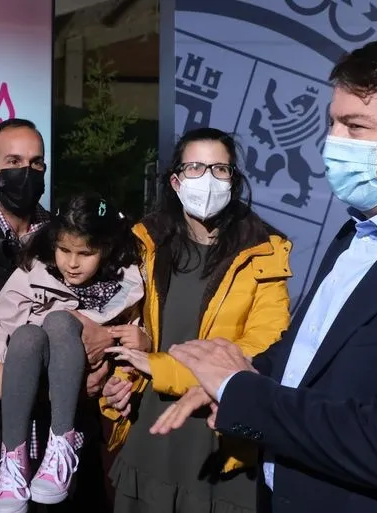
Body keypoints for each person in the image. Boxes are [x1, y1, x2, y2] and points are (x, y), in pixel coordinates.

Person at [150, 35, 377, 513]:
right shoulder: (360, 232)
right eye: (331, 123)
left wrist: (240, 390)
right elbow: (312, 356)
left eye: (356, 126)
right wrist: (242, 373)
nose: (333, 143)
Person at [101, 127, 293, 513]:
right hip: (151, 434)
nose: (207, 179)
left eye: (220, 169)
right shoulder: (146, 243)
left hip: (220, 440)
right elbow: (130, 327)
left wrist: (161, 366)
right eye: (195, 167)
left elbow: (263, 349)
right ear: (175, 181)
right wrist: (122, 381)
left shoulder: (265, 252)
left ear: (234, 180)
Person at [0, 118, 116, 511]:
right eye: (14, 162)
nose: (26, 173)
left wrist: (108, 347)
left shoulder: (67, 237)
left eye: (36, 164)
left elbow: (105, 308)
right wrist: (26, 384)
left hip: (67, 434)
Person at [0, 194, 144, 513]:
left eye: (86, 253)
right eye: (65, 250)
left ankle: (62, 439)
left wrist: (121, 362)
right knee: (27, 334)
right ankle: (13, 460)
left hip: (83, 401)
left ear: (107, 248)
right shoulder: (36, 270)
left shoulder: (128, 281)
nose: (72, 262)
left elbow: (137, 334)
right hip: (32, 379)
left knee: (58, 318)